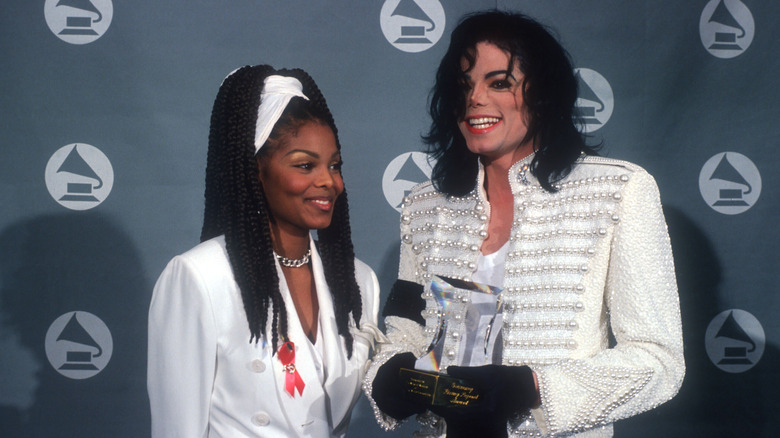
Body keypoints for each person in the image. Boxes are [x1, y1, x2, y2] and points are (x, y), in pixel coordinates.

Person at [365, 10, 684, 438]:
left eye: (499, 83)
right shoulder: (426, 205)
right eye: (464, 85)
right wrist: (390, 374)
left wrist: (531, 386)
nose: (474, 98)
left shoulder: (618, 191)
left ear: (543, 93)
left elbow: (658, 361)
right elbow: (404, 331)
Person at [148, 65, 382, 438]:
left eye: (334, 165)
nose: (328, 181)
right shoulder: (200, 277)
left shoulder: (359, 281)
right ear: (255, 171)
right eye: (305, 165)